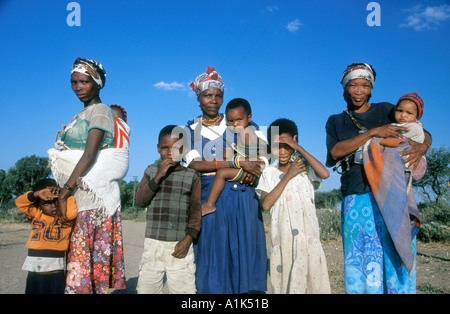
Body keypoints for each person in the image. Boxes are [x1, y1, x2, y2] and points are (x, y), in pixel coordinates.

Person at [325, 62, 431, 294]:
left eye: (365, 85)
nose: (359, 91)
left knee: (396, 258)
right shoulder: (336, 121)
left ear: (371, 88)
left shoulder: (385, 109)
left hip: (391, 192)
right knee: (362, 263)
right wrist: (372, 133)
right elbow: (334, 154)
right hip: (356, 195)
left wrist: (423, 147)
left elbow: (419, 128)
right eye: (354, 85)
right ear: (344, 87)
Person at [48, 58, 128, 294]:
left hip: (92, 202)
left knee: (82, 269)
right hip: (81, 198)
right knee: (82, 266)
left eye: (84, 82)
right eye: (74, 82)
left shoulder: (101, 111)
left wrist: (65, 192)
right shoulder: (82, 114)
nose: (78, 87)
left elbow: (90, 154)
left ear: (98, 83)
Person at [184, 66, 267, 294]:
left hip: (243, 194)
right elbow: (195, 164)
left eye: (218, 95)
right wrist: (236, 164)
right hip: (212, 195)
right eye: (207, 95)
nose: (213, 100)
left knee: (244, 252)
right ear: (198, 97)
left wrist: (251, 170)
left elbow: (261, 157)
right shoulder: (189, 130)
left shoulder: (239, 122)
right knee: (213, 252)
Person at [256, 118, 331, 294]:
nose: (282, 151)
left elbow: (325, 173)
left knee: (312, 281)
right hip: (283, 240)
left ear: (295, 141)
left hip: (308, 239)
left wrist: (299, 149)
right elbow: (266, 204)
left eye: (287, 145)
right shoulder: (269, 173)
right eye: (276, 146)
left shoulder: (305, 167)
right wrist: (288, 175)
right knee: (286, 282)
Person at [135, 125, 202, 294]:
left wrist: (188, 239)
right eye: (165, 148)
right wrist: (158, 176)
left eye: (176, 148)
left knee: (184, 291)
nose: (170, 152)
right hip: (153, 244)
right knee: (147, 290)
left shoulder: (191, 176)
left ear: (185, 149)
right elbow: (140, 201)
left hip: (180, 245)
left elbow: (195, 211)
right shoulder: (151, 170)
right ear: (158, 149)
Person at [201, 98, 269, 216]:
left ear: (249, 118)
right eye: (230, 121)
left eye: (239, 119)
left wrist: (232, 157)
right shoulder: (241, 133)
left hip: (253, 172)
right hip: (248, 170)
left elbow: (251, 156)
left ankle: (210, 204)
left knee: (221, 173)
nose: (235, 124)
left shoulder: (248, 133)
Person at [15, 179, 77, 294]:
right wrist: (36, 194)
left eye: (56, 201)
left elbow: (72, 212)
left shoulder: (64, 216)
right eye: (47, 203)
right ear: (38, 204)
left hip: (55, 271)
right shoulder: (36, 213)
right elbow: (19, 203)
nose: (53, 206)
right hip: (34, 270)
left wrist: (64, 195)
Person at [391, 92, 427, 181]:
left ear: (416, 116)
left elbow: (394, 137)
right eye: (400, 111)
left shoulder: (414, 127)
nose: (403, 115)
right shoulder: (398, 125)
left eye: (409, 113)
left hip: (412, 161)